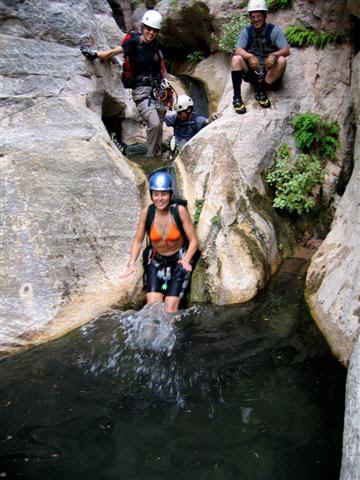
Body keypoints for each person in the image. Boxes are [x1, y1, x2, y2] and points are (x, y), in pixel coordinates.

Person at [96, 10, 170, 158]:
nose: (151, 33)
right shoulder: (134, 41)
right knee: (154, 123)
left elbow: (161, 65)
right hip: (141, 91)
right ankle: (151, 158)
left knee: (160, 119)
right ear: (143, 28)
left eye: (154, 30)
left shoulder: (155, 45)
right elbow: (115, 51)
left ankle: (156, 151)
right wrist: (98, 54)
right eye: (148, 29)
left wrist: (166, 81)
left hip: (156, 88)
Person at [123, 171, 199, 313]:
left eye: (163, 194)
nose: (160, 198)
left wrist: (187, 260)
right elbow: (138, 240)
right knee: (153, 306)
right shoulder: (147, 212)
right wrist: (132, 262)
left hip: (178, 261)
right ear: (151, 195)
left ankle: (171, 333)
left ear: (170, 194)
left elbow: (194, 241)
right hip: (157, 261)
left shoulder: (179, 211)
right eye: (156, 194)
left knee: (170, 307)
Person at [231, 0, 290, 113]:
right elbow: (238, 49)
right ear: (250, 17)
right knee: (236, 59)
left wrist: (274, 55)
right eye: (253, 17)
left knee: (281, 60)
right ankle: (237, 98)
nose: (256, 19)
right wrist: (249, 56)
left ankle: (261, 91)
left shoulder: (274, 31)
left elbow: (286, 50)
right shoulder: (247, 31)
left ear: (265, 15)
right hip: (253, 72)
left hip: (269, 71)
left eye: (259, 16)